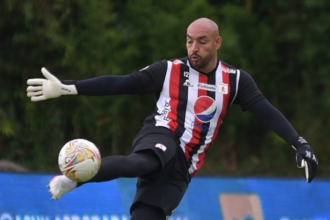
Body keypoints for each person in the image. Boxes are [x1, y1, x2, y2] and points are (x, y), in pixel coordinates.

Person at [26, 18, 318, 219]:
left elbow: (266, 111)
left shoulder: (236, 80)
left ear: (217, 42)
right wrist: (68, 87)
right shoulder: (168, 70)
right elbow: (121, 83)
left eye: (202, 42)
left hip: (183, 167)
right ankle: (74, 178)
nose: (193, 48)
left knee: (148, 215)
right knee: (142, 161)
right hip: (160, 133)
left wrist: (300, 143)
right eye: (190, 41)